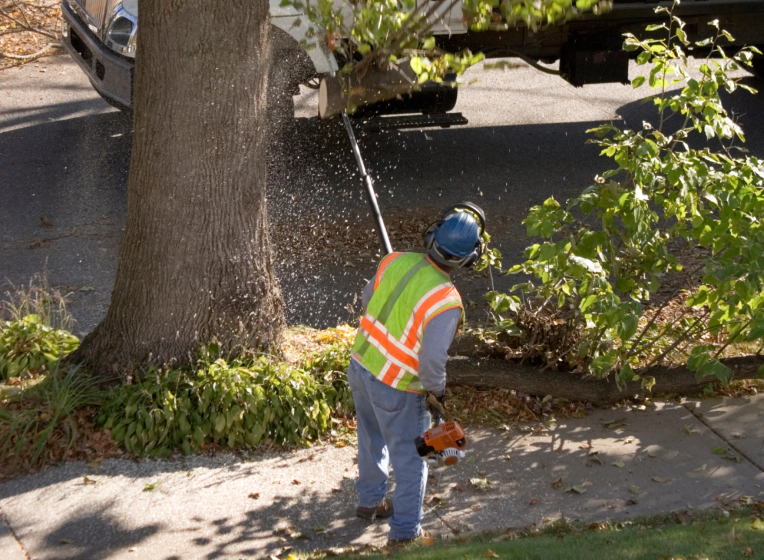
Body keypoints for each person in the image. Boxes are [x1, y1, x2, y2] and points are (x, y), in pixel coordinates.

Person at [347, 202, 486, 544]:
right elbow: (431, 363)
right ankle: (406, 534)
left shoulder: (395, 261)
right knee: (411, 462)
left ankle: (371, 502)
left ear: (431, 236)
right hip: (397, 388)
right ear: (469, 259)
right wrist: (437, 393)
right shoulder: (445, 300)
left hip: (361, 367)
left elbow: (368, 301)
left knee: (371, 438)